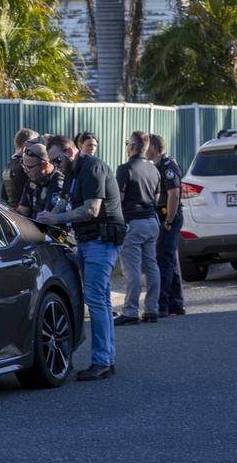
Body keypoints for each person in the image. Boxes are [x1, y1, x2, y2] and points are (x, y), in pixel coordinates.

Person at [37, 134, 126, 381]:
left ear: (70, 151)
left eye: (57, 159)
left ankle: (101, 362)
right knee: (102, 301)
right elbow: (63, 203)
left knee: (96, 300)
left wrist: (56, 219)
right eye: (52, 161)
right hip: (88, 240)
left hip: (102, 239)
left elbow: (91, 209)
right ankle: (107, 359)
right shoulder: (72, 172)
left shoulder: (92, 167)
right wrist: (45, 218)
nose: (56, 165)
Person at [114, 131, 162, 326]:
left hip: (133, 222)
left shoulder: (125, 169)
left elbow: (119, 198)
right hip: (152, 221)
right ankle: (152, 309)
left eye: (128, 143)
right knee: (151, 266)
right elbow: (157, 198)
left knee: (132, 270)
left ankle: (131, 311)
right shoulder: (154, 169)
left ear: (132, 146)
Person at [146, 134, 186, 316]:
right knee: (170, 259)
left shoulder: (168, 166)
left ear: (154, 147)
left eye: (147, 145)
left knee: (163, 259)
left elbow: (174, 195)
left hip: (170, 217)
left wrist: (169, 221)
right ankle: (176, 303)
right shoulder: (156, 166)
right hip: (163, 216)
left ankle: (162, 305)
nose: (145, 148)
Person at [17, 142, 64, 217]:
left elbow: (47, 217)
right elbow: (23, 211)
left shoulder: (57, 183)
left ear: (45, 165)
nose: (25, 171)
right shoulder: (31, 181)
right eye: (23, 165)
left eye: (29, 167)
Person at [0, 128, 40, 209]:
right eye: (35, 143)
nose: (38, 146)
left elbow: (3, 197)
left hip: (13, 214)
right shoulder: (23, 166)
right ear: (26, 145)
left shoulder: (9, 165)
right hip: (24, 215)